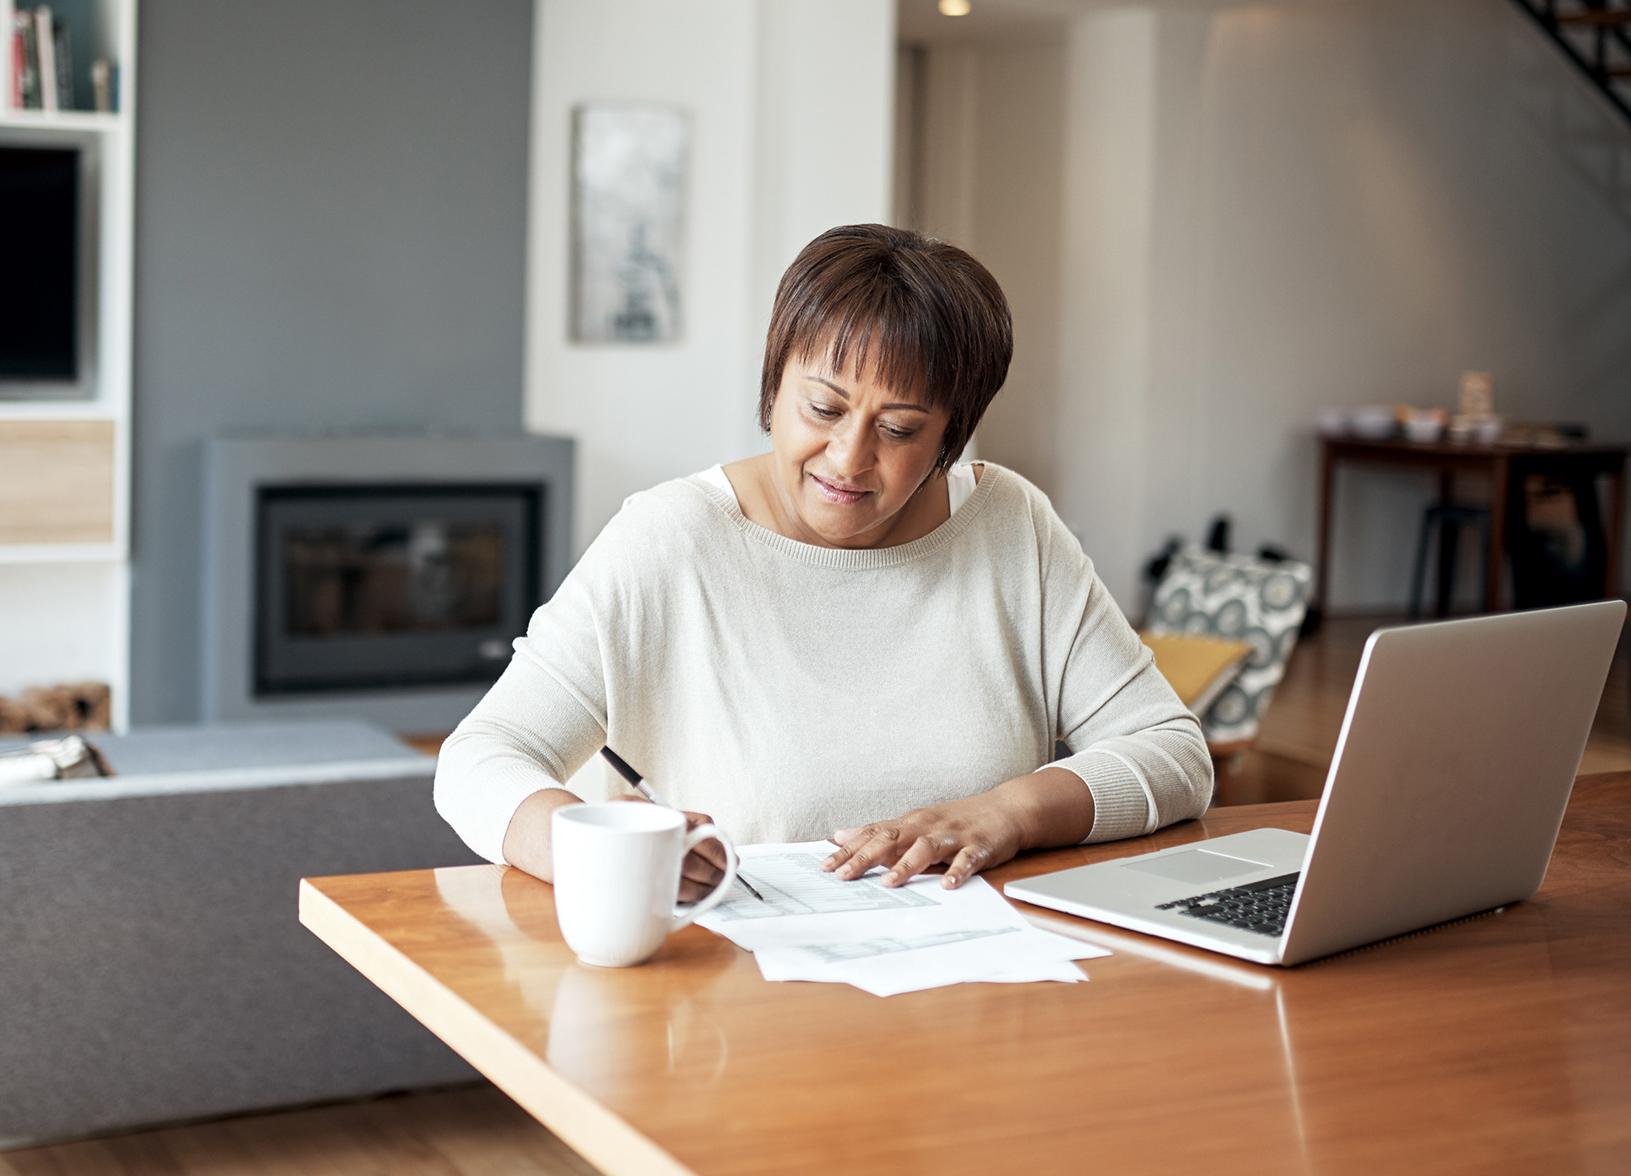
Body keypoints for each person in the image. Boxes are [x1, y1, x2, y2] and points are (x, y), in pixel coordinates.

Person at [434, 224, 1210, 899]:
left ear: (952, 435)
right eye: (824, 409)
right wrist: (590, 845)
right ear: (774, 385)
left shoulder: (1012, 527)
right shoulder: (671, 539)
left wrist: (1005, 812)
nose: (849, 457)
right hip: (734, 1009)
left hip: (975, 1000)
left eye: (901, 429)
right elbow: (479, 760)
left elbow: (1175, 755)